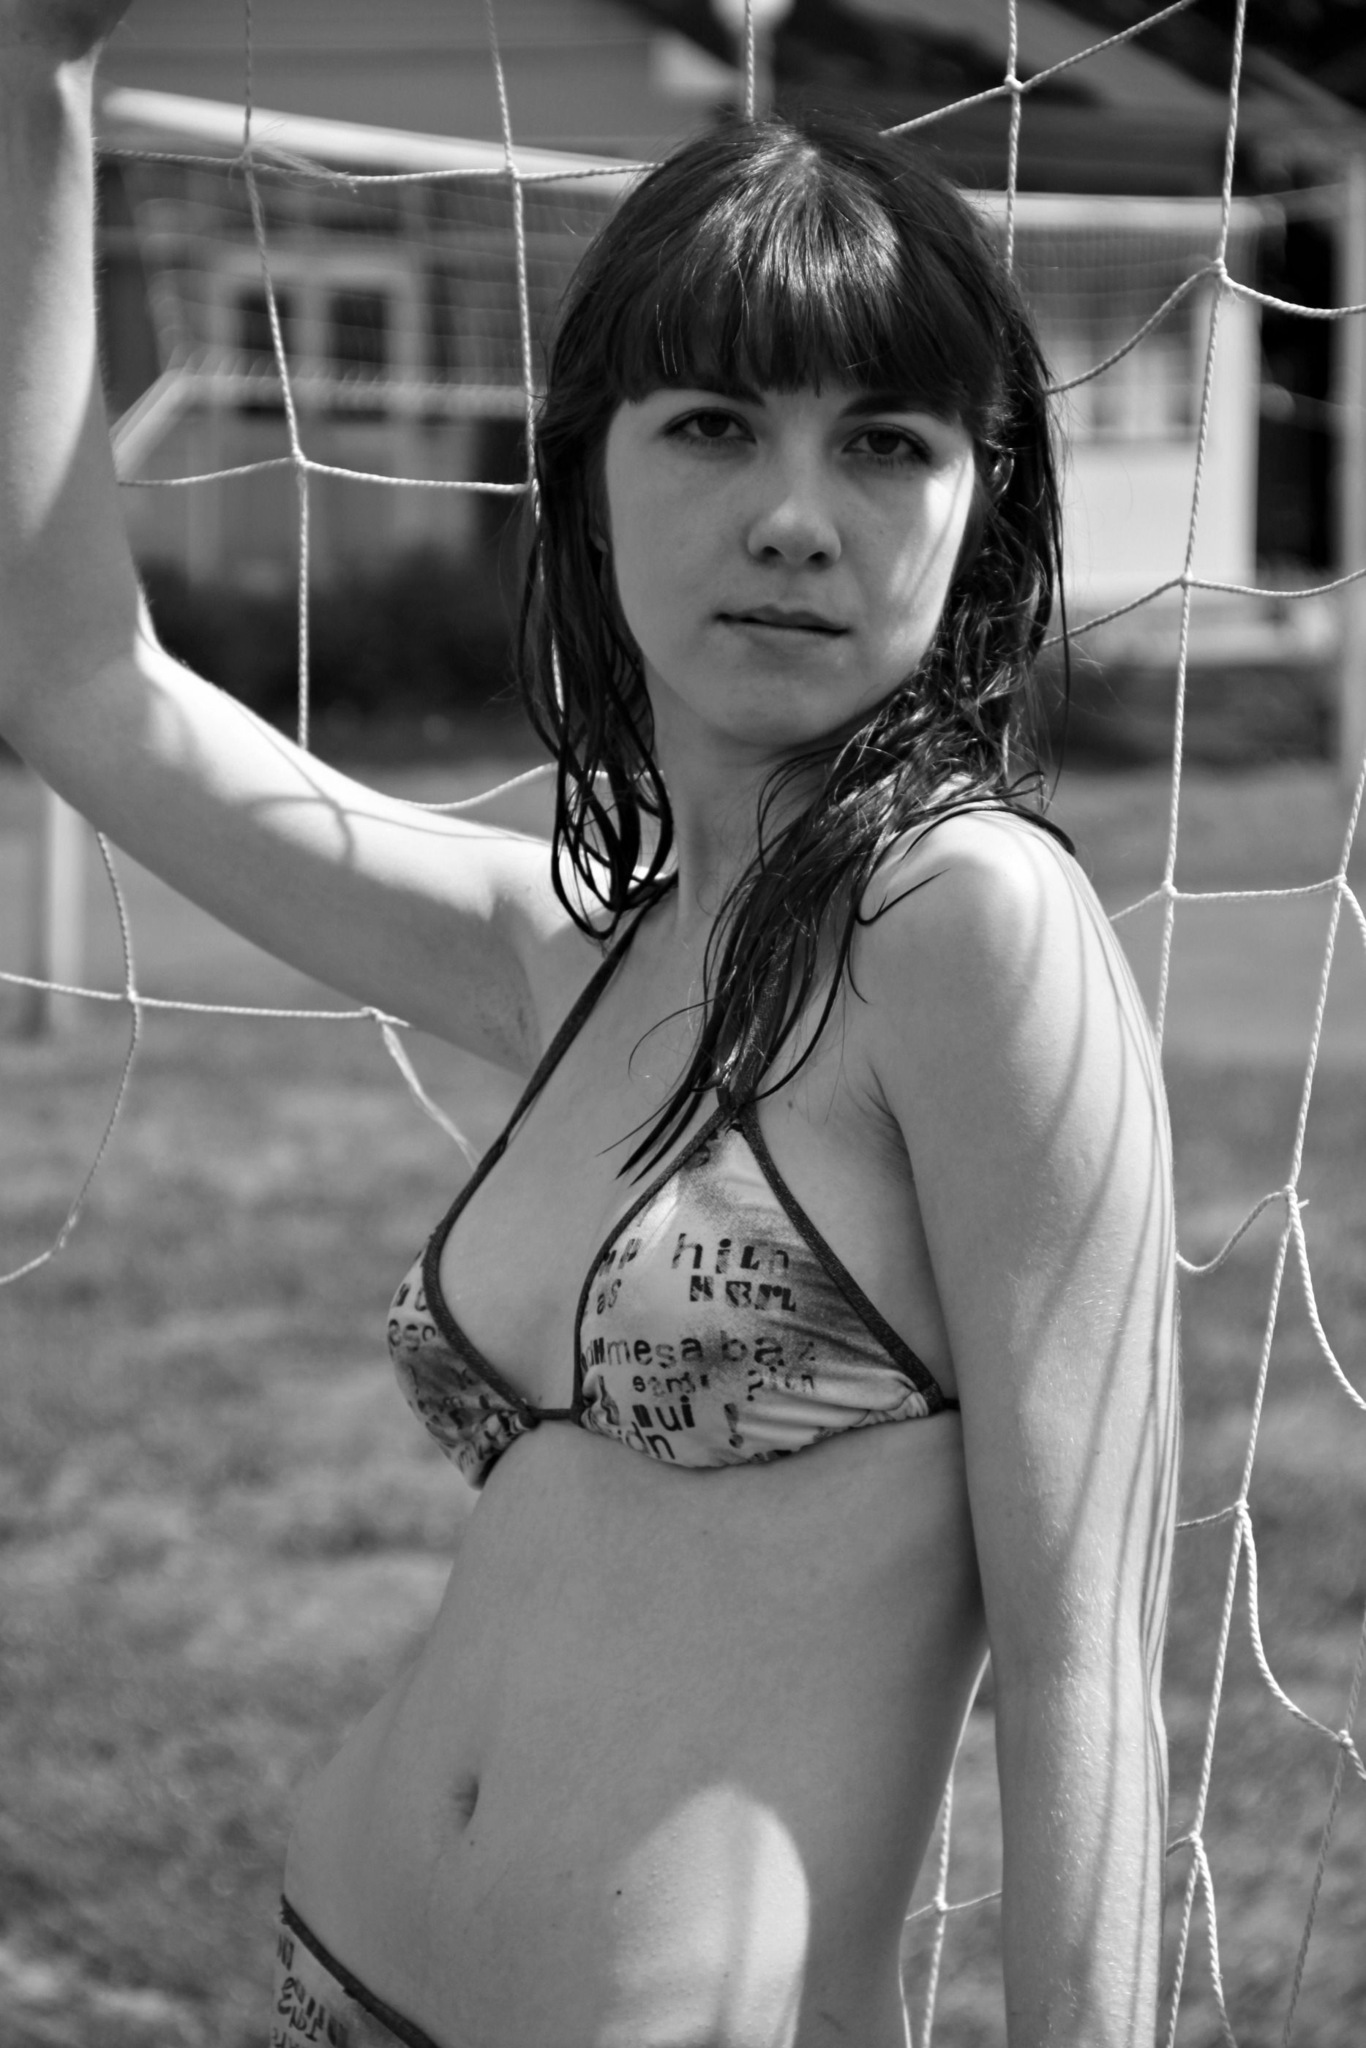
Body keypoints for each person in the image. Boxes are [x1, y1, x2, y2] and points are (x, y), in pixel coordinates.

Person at [0, 5, 1179, 2044]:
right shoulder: (570, 955)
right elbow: (78, 685)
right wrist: (41, 79)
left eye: (883, 442)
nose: (796, 514)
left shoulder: (969, 922)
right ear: (588, 479)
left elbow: (1086, 1657)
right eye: (712, 425)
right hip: (333, 1984)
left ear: (974, 511)